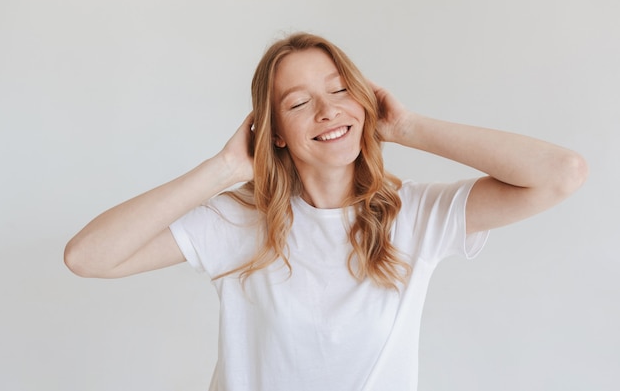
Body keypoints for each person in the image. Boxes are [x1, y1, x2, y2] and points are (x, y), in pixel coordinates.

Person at [64, 32, 588, 390]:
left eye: (339, 90)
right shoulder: (237, 222)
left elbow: (561, 173)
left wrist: (408, 128)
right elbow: (87, 257)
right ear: (274, 134)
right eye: (297, 103)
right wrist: (224, 167)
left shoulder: (414, 214)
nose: (327, 110)